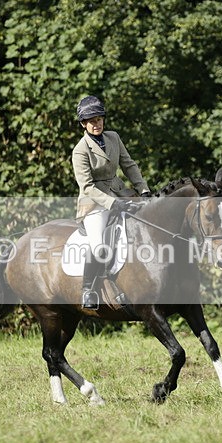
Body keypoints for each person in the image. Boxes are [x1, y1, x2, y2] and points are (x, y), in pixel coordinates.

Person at [72, 95, 151, 309]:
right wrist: (111, 203)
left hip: (120, 193)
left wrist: (143, 189)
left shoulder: (113, 137)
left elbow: (129, 165)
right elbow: (87, 186)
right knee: (99, 247)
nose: (96, 124)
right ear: (83, 124)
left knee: (142, 231)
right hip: (94, 203)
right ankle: (88, 289)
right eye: (91, 121)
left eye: (99, 119)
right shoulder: (80, 150)